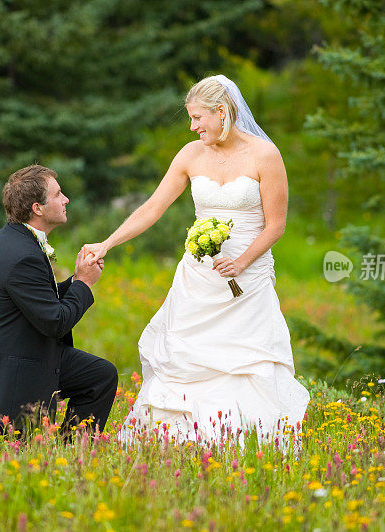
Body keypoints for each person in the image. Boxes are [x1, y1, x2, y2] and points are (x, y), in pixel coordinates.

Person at [82, 75, 310, 449]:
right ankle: (179, 441)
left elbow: (276, 225)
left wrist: (242, 262)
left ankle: (248, 442)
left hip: (246, 282)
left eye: (197, 117)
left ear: (222, 112)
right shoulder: (190, 155)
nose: (192, 126)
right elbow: (153, 208)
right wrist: (108, 243)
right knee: (186, 359)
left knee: (244, 361)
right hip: (197, 280)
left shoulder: (264, 155)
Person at [0, 164, 118, 437]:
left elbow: (38, 299)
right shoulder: (22, 254)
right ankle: (66, 450)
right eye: (58, 195)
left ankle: (72, 449)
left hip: (27, 352)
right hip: (13, 371)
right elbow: (56, 322)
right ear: (38, 208)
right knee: (14, 453)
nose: (66, 199)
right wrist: (83, 283)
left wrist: (74, 279)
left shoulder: (17, 239)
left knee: (100, 376)